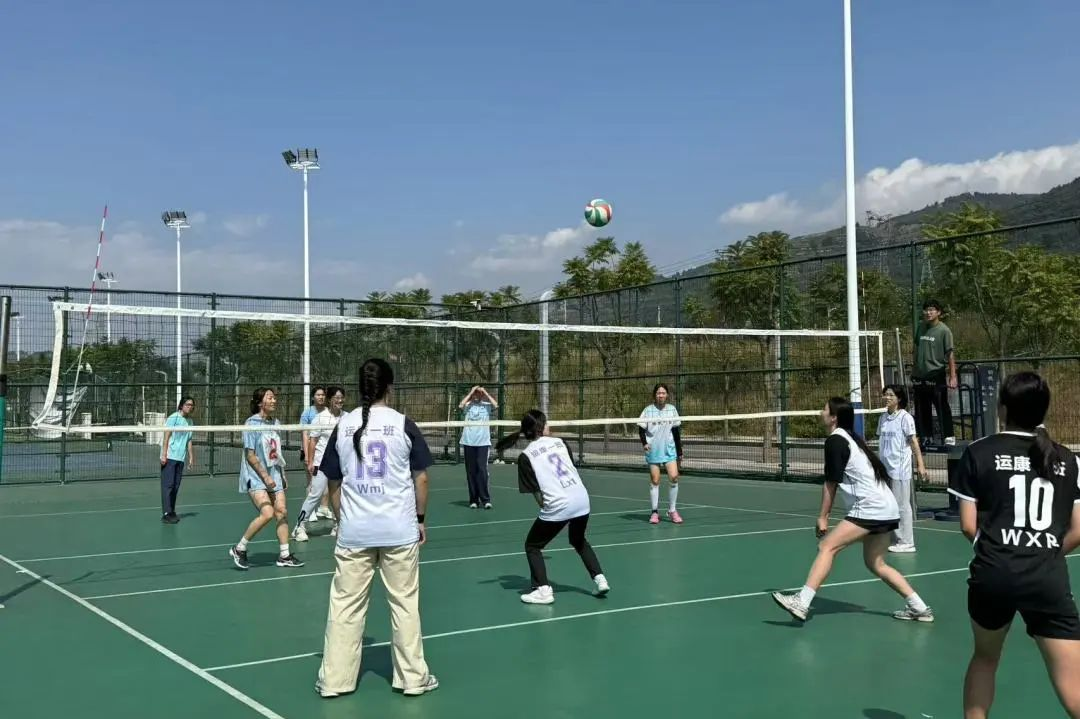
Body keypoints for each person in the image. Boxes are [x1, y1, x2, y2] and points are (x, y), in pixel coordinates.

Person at [948, 371, 1079, 719]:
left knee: (985, 658)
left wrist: (1002, 550)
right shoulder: (1067, 460)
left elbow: (968, 525)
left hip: (994, 574)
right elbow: (1078, 529)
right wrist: (1043, 553)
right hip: (1047, 578)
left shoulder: (978, 452)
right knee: (1073, 687)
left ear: (1002, 409)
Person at [315, 358, 439, 698]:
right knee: (404, 605)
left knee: (345, 607)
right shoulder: (402, 424)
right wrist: (420, 519)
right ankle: (413, 679)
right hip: (398, 530)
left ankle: (334, 681)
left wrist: (342, 520)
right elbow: (421, 478)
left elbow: (333, 484)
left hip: (355, 533)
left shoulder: (343, 425)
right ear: (390, 388)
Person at [771, 396, 934, 623]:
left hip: (870, 507)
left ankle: (802, 602)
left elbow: (831, 483)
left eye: (824, 409)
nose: (820, 413)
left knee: (827, 546)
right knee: (875, 563)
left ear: (834, 417)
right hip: (887, 507)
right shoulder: (852, 440)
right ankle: (919, 607)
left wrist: (823, 517)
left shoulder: (836, 441)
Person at [495, 410, 609, 604]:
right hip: (582, 499)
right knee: (578, 540)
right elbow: (569, 469)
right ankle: (600, 579)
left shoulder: (525, 457)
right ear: (540, 427)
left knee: (532, 546)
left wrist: (550, 507)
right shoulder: (560, 442)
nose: (549, 425)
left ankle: (543, 590)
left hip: (559, 504)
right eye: (546, 423)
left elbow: (539, 497)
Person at [228, 388, 304, 570]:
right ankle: (239, 548)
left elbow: (276, 452)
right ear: (260, 402)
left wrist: (282, 475)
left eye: (274, 398)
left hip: (274, 474)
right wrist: (266, 477)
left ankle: (284, 555)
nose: (274, 400)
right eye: (270, 397)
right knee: (268, 513)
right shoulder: (251, 424)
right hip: (255, 476)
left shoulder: (276, 423)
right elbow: (250, 455)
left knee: (282, 512)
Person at [877, 384, 927, 553]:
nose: (887, 397)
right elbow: (882, 443)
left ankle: (907, 541)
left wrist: (920, 464)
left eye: (891, 395)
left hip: (899, 469)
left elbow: (913, 442)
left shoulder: (905, 418)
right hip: (885, 469)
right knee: (888, 505)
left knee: (902, 505)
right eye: (885, 394)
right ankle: (894, 538)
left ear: (898, 398)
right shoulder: (883, 418)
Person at [293, 386, 346, 542]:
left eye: (342, 397)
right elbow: (313, 441)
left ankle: (339, 525)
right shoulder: (320, 418)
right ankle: (299, 526)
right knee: (315, 494)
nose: (340, 400)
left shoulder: (347, 417)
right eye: (336, 398)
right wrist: (310, 461)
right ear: (330, 399)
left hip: (340, 464)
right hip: (321, 463)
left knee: (342, 496)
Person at [913, 299, 958, 446]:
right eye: (926, 310)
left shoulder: (944, 331)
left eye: (932, 310)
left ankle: (949, 436)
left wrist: (953, 376)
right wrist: (914, 369)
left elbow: (950, 354)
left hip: (936, 373)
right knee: (922, 407)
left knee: (941, 405)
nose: (928, 312)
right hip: (920, 375)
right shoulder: (921, 327)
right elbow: (916, 348)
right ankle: (927, 436)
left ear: (938, 312)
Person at [638, 383, 684, 524]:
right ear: (655, 395)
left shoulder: (672, 409)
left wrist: (679, 451)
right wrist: (644, 443)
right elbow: (641, 429)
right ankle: (654, 512)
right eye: (658, 393)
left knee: (674, 477)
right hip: (654, 449)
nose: (661, 395)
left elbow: (675, 431)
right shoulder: (648, 410)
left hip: (669, 449)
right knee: (655, 480)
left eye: (663, 393)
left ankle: (672, 510)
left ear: (667, 395)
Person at [459, 385, 498, 509]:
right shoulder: (468, 405)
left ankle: (485, 500)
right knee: (471, 471)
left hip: (483, 443)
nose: (477, 395)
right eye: (475, 393)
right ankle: (473, 500)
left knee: (482, 470)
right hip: (468, 442)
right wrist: (471, 392)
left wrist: (484, 391)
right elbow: (460, 405)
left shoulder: (486, 406)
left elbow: (496, 405)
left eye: (478, 393)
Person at [159, 396, 195, 524]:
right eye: (187, 404)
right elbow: (166, 436)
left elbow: (189, 440)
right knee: (168, 485)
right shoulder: (173, 418)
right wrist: (164, 454)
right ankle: (166, 513)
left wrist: (191, 457)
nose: (190, 407)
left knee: (175, 486)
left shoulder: (190, 421)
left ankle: (172, 511)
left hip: (180, 458)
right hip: (170, 456)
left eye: (191, 405)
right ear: (181, 405)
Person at [300, 386, 334, 521]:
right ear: (313, 397)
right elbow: (305, 434)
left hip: (326, 454)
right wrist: (307, 456)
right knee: (311, 483)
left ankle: (323, 508)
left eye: (323, 395)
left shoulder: (329, 412)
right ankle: (310, 511)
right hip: (311, 452)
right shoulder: (307, 413)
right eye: (318, 395)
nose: (321, 397)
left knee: (327, 483)